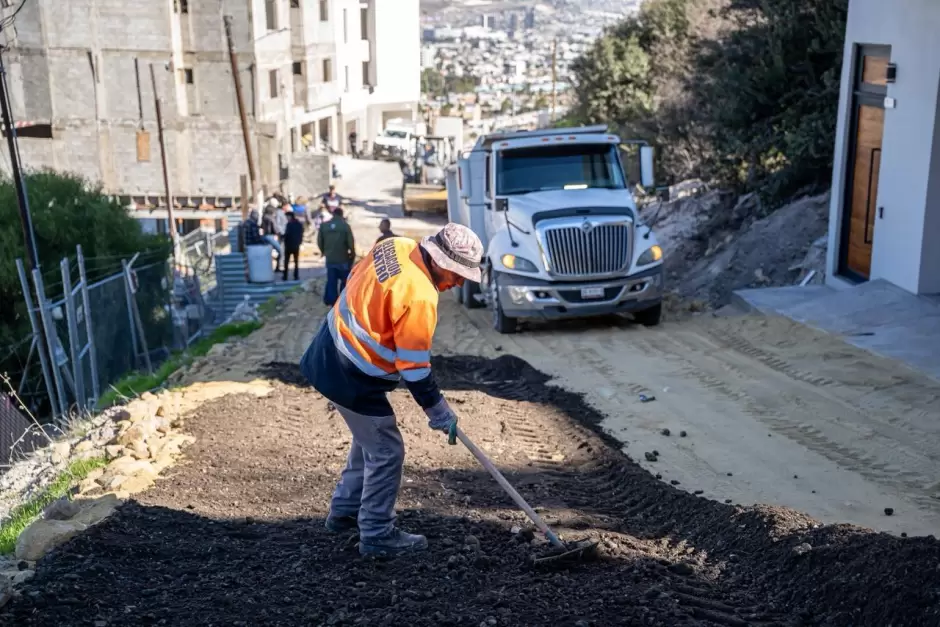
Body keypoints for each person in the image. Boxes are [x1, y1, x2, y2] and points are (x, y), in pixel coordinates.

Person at [299, 223, 484, 557]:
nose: (458, 283)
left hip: (326, 349)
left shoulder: (395, 245)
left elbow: (357, 275)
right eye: (458, 274)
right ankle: (377, 533)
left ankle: (345, 512)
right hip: (350, 373)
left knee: (368, 439)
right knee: (387, 451)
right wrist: (438, 411)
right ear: (441, 261)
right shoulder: (420, 296)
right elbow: (414, 369)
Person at [316, 207, 356, 306]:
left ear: (333, 215)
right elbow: (351, 242)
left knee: (331, 280)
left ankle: (331, 300)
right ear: (342, 215)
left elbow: (319, 241)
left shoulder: (324, 226)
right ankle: (342, 301)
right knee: (344, 280)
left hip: (330, 258)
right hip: (343, 258)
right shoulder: (345, 226)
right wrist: (352, 254)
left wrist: (323, 252)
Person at [282, 211, 304, 281]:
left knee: (286, 261)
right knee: (296, 261)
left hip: (289, 244)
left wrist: (283, 237)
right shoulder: (299, 224)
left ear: (290, 216)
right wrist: (300, 242)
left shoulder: (289, 224)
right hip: (296, 245)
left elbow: (287, 234)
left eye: (287, 217)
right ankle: (296, 276)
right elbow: (301, 233)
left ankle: (285, 276)